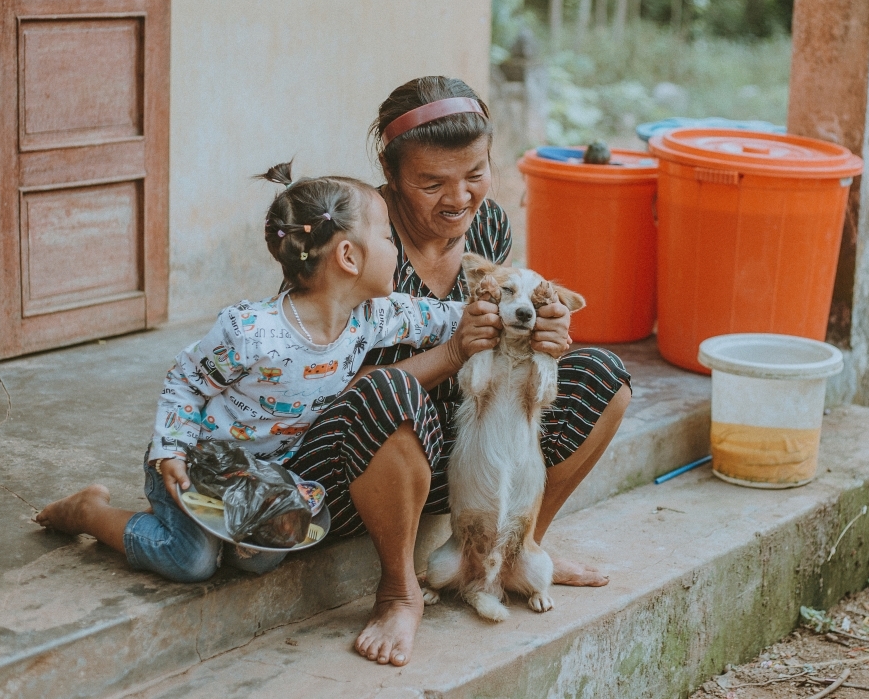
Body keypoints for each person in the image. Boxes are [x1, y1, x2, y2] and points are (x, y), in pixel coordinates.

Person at [284, 76, 632, 667]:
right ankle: (399, 590)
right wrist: (451, 355)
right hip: (361, 461)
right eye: (431, 183)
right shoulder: (351, 237)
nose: (459, 199)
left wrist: (545, 342)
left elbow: (513, 346)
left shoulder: (488, 226)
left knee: (603, 375)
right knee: (390, 391)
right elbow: (318, 391)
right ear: (390, 177)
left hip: (466, 454)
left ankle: (519, 548)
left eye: (475, 174)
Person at [35, 170, 472, 583]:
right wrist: (171, 450)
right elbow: (185, 381)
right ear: (348, 257)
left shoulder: (373, 317)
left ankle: (221, 534)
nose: (396, 248)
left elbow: (447, 319)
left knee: (259, 562)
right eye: (385, 236)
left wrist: (509, 308)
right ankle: (88, 512)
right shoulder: (251, 331)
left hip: (263, 476)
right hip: (196, 462)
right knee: (190, 561)